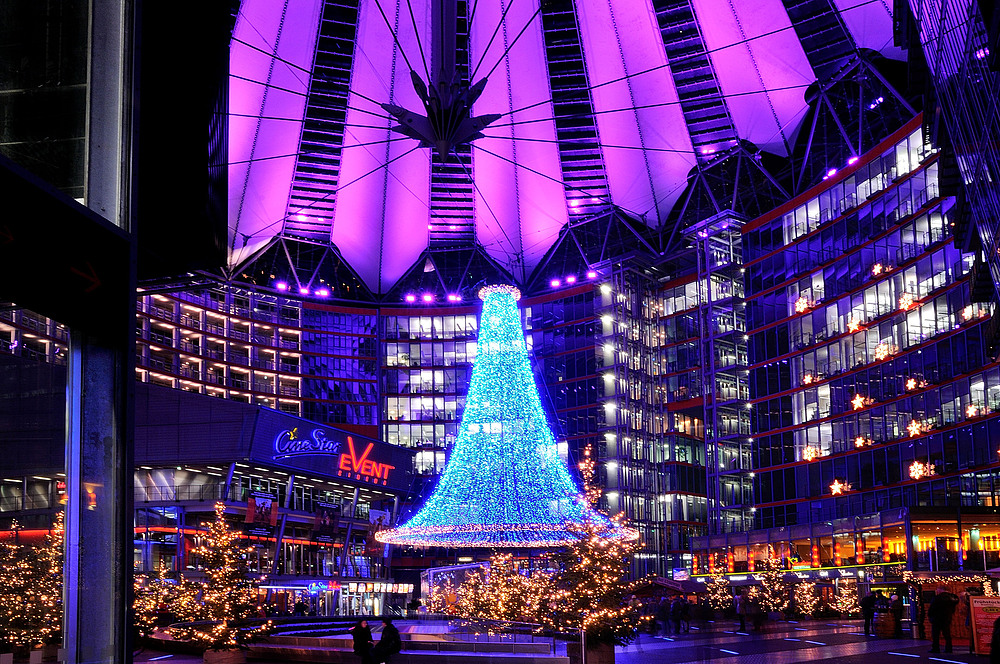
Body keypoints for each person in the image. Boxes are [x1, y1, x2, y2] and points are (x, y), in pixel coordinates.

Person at [928, 586, 959, 654]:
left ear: (941, 590)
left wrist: (930, 616)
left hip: (937, 618)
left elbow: (932, 608)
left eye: (938, 590)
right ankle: (949, 648)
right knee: (947, 634)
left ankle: (936, 648)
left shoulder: (937, 598)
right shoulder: (953, 598)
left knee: (935, 634)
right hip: (947, 617)